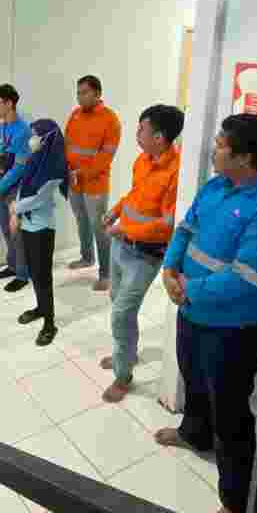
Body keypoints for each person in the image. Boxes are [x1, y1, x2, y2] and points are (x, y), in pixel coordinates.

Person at [153, 113, 257, 513]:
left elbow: (246, 277)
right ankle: (193, 434)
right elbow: (185, 229)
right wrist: (169, 269)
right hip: (192, 312)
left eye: (220, 145)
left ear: (245, 158)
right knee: (193, 380)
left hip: (235, 328)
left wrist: (189, 289)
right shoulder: (215, 187)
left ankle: (235, 506)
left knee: (230, 412)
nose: (212, 150)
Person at [98, 104, 183, 403]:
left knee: (121, 314)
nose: (136, 133)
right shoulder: (142, 160)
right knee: (117, 301)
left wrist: (126, 230)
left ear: (159, 137)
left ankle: (123, 375)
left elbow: (168, 224)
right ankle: (127, 354)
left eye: (141, 129)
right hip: (121, 245)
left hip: (145, 255)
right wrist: (116, 210)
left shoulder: (177, 173)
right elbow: (134, 196)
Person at [8, 119, 68, 347]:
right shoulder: (35, 159)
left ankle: (50, 324)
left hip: (42, 229)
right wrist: (16, 213)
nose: (31, 139)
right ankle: (41, 308)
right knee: (34, 273)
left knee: (43, 277)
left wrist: (16, 209)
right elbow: (23, 189)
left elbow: (39, 198)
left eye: (35, 135)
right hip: (28, 225)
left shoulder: (54, 166)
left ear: (47, 138)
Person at [64, 75, 121, 292]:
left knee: (99, 227)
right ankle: (87, 257)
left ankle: (106, 274)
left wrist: (81, 173)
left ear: (97, 94)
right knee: (82, 220)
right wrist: (68, 169)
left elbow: (105, 157)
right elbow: (67, 144)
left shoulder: (110, 120)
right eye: (78, 93)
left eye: (84, 92)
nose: (80, 97)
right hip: (73, 180)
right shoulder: (75, 115)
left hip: (95, 183)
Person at [0, 84, 33, 294]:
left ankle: (23, 274)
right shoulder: (1, 129)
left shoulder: (23, 131)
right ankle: (13, 265)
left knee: (17, 233)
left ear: (9, 103)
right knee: (6, 229)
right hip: (1, 186)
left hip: (16, 188)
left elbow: (19, 167)